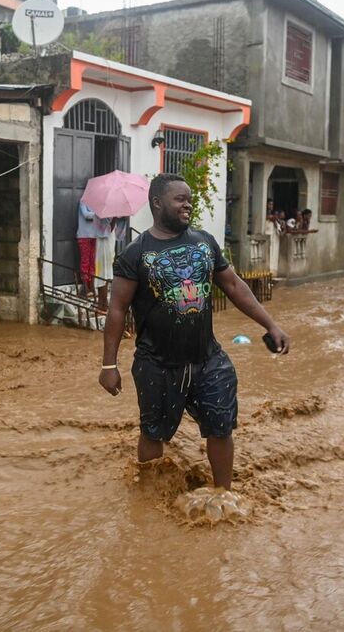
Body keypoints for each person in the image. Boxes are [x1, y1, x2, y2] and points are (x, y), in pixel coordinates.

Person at [99, 173, 291, 490]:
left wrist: (270, 324)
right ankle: (149, 498)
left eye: (189, 198)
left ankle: (223, 494)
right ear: (157, 203)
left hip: (207, 360)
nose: (188, 204)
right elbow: (117, 309)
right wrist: (109, 366)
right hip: (156, 364)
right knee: (153, 433)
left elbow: (233, 285)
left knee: (220, 427)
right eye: (180, 199)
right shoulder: (136, 253)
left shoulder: (204, 242)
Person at [77, 200, 103, 298]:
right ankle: (85, 287)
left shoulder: (97, 203)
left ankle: (92, 285)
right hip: (84, 235)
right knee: (85, 261)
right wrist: (99, 215)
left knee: (93, 262)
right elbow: (86, 215)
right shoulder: (83, 201)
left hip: (94, 235)